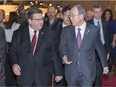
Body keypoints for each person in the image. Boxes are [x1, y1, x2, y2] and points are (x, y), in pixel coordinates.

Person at [9, 6, 63, 86]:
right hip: (24, 76)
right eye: (37, 20)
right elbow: (12, 51)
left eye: (42, 19)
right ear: (29, 21)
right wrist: (14, 64)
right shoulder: (18, 34)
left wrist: (58, 73)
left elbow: (55, 54)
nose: (41, 22)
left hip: (43, 76)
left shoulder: (50, 34)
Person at [59, 4, 109, 86]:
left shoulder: (94, 30)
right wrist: (64, 56)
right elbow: (62, 47)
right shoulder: (66, 31)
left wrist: (105, 65)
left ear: (81, 16)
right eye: (69, 15)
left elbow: (100, 48)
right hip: (71, 72)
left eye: (72, 15)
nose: (70, 18)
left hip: (87, 71)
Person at [88, 5, 110, 86]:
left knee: (100, 74)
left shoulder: (105, 23)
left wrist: (108, 51)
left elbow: (107, 38)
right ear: (93, 13)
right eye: (96, 12)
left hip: (103, 49)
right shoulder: (88, 23)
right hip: (92, 51)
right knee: (92, 73)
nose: (98, 14)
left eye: (100, 11)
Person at [4, 11, 20, 86]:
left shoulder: (5, 25)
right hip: (15, 46)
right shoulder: (18, 26)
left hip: (6, 46)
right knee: (14, 63)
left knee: (7, 66)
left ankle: (8, 83)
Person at [102, 9, 116, 76]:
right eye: (105, 14)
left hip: (111, 42)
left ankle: (110, 71)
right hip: (104, 42)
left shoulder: (113, 22)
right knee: (105, 57)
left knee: (111, 57)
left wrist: (113, 41)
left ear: (110, 15)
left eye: (108, 14)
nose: (107, 15)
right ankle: (105, 70)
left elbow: (115, 33)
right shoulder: (102, 22)